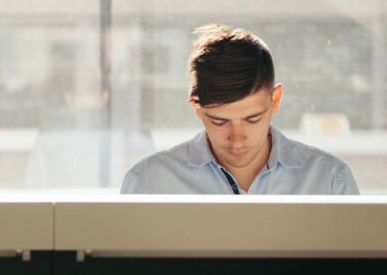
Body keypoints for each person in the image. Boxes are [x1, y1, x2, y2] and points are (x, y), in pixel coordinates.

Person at [121, 24, 359, 195]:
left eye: (252, 119)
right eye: (220, 122)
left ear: (275, 100)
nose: (237, 139)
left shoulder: (329, 180)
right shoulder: (149, 183)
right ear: (197, 107)